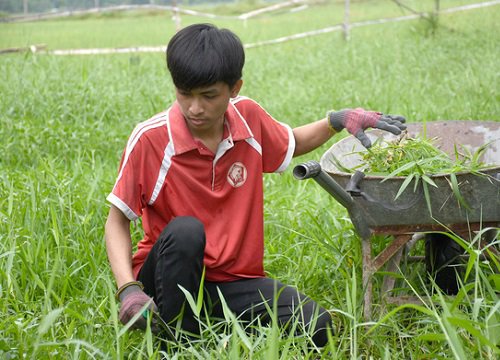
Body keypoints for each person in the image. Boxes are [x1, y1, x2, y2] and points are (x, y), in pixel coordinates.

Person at [104, 23, 406, 348]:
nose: (194, 108)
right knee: (186, 232)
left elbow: (292, 141)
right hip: (169, 278)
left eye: (208, 96)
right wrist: (129, 289)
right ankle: (177, 342)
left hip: (232, 282)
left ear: (235, 88)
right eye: (184, 94)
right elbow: (117, 220)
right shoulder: (151, 139)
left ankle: (213, 330)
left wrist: (337, 120)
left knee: (318, 326)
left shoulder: (248, 118)